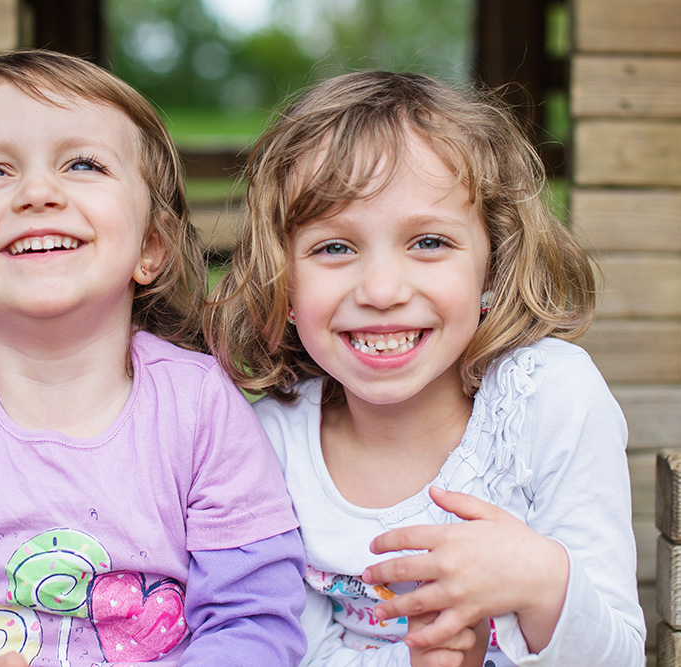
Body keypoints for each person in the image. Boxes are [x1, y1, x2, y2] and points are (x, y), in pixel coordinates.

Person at [0, 50, 306, 667]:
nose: (36, 192)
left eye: (82, 163)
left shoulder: (200, 407)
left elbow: (255, 621)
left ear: (152, 245)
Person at [206, 70, 646, 666]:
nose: (383, 289)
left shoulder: (551, 399)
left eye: (429, 242)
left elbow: (617, 654)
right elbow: (289, 650)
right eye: (334, 247)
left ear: (492, 267)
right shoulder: (269, 445)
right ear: (283, 282)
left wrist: (542, 581)